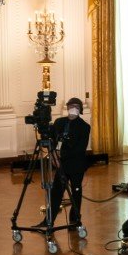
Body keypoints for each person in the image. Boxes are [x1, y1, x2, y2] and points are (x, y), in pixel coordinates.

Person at [48, 97, 91, 228]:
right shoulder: (59, 122)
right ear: (67, 108)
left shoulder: (84, 127)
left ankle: (75, 219)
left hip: (76, 165)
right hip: (60, 165)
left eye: (76, 107)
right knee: (56, 193)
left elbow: (80, 149)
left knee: (76, 193)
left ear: (80, 110)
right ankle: (49, 220)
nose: (73, 109)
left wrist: (61, 156)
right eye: (71, 106)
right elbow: (52, 141)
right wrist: (54, 156)